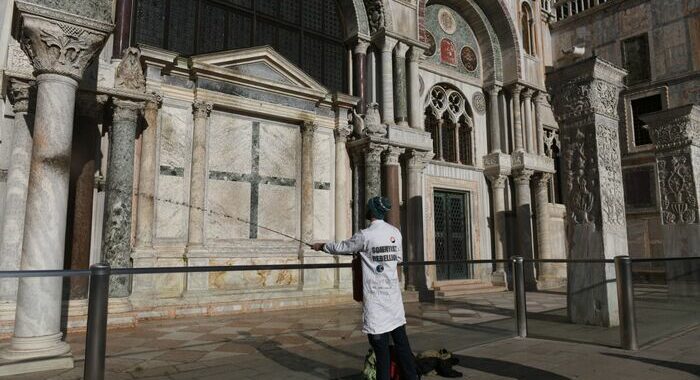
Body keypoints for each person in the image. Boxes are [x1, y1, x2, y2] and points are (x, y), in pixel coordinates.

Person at [312, 196, 418, 380]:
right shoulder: (395, 232)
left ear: (371, 212)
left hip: (376, 302)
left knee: (382, 352)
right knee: (402, 345)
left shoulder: (365, 235)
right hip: (393, 300)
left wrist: (321, 246)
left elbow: (342, 247)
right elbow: (398, 259)